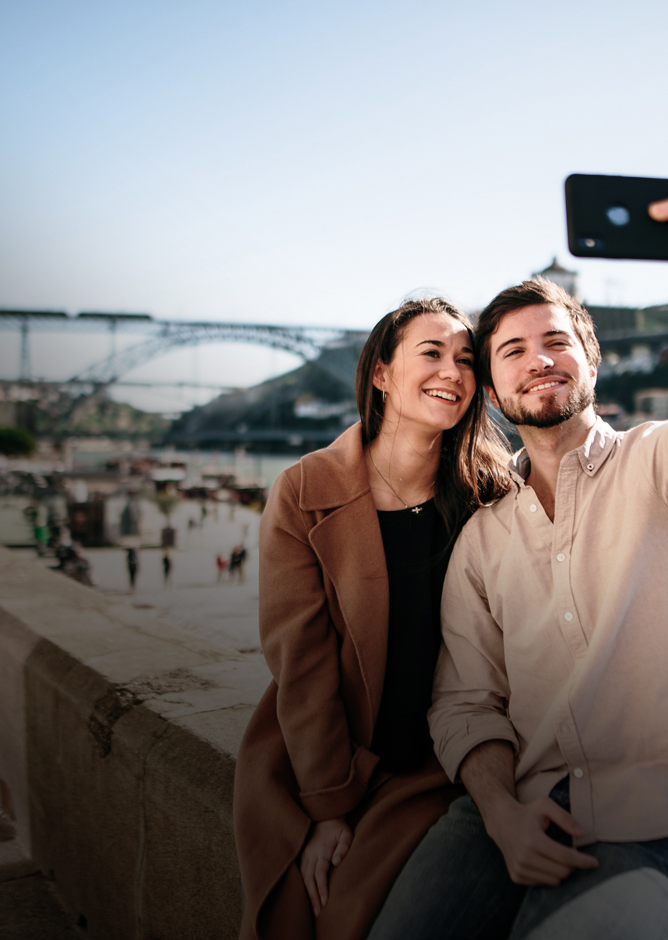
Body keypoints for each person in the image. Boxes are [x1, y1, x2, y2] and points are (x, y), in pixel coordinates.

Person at [370, 164, 668, 940]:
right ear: (492, 391)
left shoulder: (661, 467)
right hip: (507, 807)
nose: (538, 359)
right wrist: (501, 812)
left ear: (593, 361)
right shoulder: (484, 538)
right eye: (512, 350)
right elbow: (466, 702)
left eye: (557, 341)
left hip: (655, 818)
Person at [235, 297, 516, 940]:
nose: (452, 372)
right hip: (319, 756)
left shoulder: (491, 494)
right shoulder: (305, 490)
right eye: (431, 353)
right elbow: (301, 662)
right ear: (382, 373)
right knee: (296, 912)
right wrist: (327, 807)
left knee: (352, 918)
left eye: (466, 360)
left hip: (432, 763)